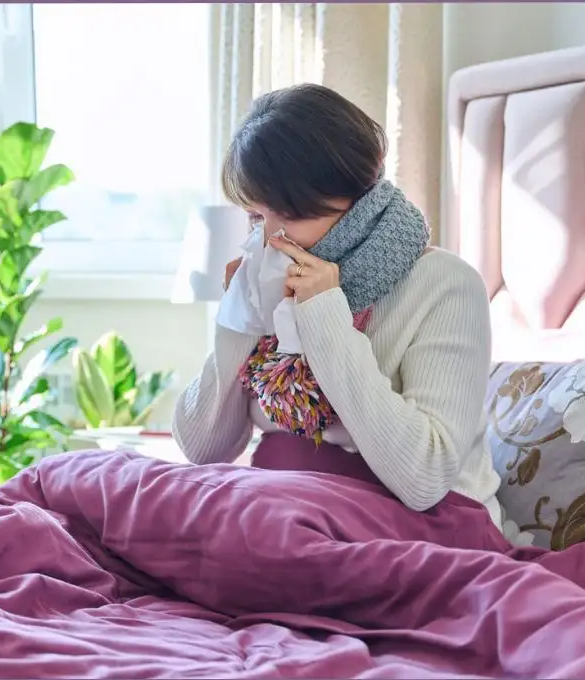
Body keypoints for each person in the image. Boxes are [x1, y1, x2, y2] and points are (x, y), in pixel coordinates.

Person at [171, 83, 502, 530]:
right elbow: (202, 449)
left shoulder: (447, 285)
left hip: (420, 533)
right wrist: (239, 319)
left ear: (360, 200)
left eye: (288, 215)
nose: (268, 239)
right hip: (284, 521)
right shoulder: (268, 281)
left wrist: (325, 314)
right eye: (255, 216)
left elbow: (425, 479)